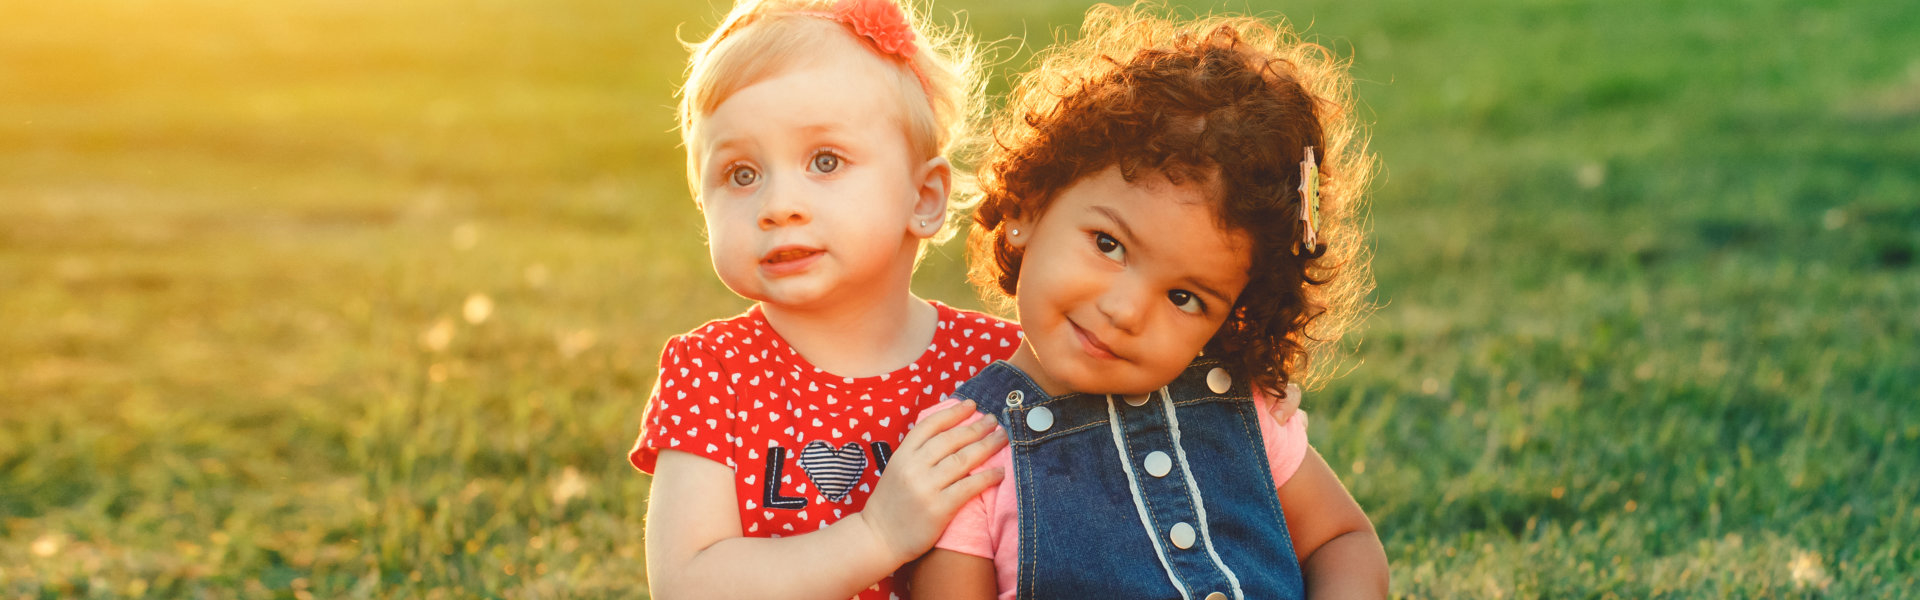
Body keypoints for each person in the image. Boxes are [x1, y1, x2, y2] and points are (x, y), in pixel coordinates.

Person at [909, 4, 1387, 598]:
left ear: (1235, 316)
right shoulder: (968, 451)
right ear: (1026, 207)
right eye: (1108, 244)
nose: (1127, 311)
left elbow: (1342, 540)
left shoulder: (1240, 410)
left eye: (1185, 297)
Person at [627, 0, 1023, 597]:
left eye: (825, 160)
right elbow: (688, 583)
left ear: (924, 197)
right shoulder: (711, 371)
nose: (778, 204)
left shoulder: (1001, 362)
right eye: (740, 173)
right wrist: (877, 536)